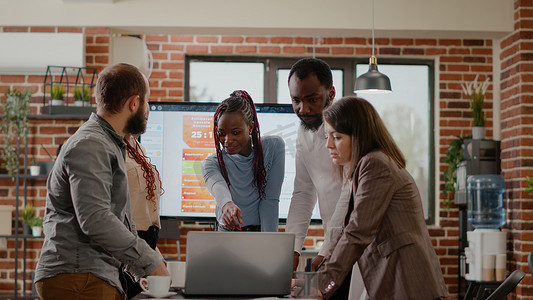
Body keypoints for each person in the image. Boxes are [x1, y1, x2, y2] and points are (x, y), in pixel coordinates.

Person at [34, 63, 169, 300]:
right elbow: (95, 218)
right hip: (79, 276)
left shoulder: (110, 144)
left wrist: (145, 263)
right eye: (147, 101)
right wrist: (150, 261)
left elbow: (115, 218)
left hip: (89, 275)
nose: (148, 109)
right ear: (134, 103)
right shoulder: (91, 145)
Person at [317, 96, 448, 299]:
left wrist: (322, 285)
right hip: (400, 280)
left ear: (359, 135)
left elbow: (358, 230)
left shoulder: (375, 163)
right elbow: (347, 229)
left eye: (337, 137)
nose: (328, 145)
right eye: (327, 136)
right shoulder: (368, 164)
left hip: (407, 282)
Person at [202, 90, 285, 232]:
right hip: (227, 236)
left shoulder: (273, 147)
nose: (227, 141)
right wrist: (227, 205)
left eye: (235, 132)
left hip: (258, 234)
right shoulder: (212, 163)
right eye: (221, 134)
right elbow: (219, 188)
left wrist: (270, 244)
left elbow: (270, 200)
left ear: (250, 127)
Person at [123, 133, 164, 299]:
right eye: (143, 104)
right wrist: (148, 262)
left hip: (145, 248)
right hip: (127, 254)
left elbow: (142, 210)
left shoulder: (138, 146)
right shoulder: (110, 147)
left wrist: (155, 254)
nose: (146, 108)